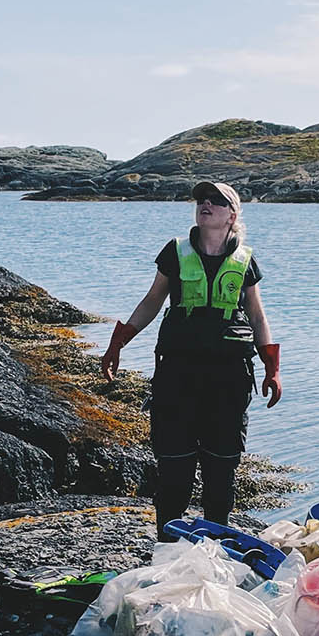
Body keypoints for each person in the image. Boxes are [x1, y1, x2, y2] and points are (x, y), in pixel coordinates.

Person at [101, 180, 281, 537]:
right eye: (202, 199)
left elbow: (258, 316)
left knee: (221, 472)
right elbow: (152, 300)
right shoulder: (176, 252)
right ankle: (167, 548)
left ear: (232, 215)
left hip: (229, 378)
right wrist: (118, 342)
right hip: (178, 375)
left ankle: (216, 554)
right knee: (174, 471)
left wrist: (272, 369)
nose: (206, 204)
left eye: (216, 201)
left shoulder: (245, 260)